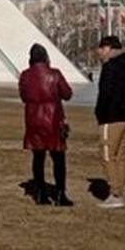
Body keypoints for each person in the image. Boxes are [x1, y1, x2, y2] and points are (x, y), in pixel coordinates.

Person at [19, 43, 73, 206]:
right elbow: (67, 94)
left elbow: (23, 97)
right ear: (46, 57)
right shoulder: (54, 74)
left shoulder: (25, 76)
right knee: (58, 158)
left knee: (38, 157)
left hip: (34, 120)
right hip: (53, 119)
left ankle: (40, 194)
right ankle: (60, 194)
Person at [95, 35, 125, 209]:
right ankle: (119, 190)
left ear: (108, 49)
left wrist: (100, 113)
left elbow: (105, 93)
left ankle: (115, 193)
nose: (99, 52)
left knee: (107, 155)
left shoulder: (110, 67)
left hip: (110, 118)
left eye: (101, 48)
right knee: (120, 156)